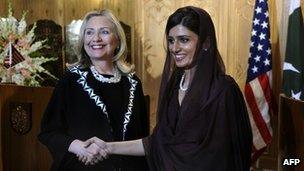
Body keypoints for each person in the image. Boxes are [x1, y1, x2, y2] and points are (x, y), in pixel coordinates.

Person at [87, 6, 253, 171]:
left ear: (206, 43)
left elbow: (230, 157)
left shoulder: (224, 91)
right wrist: (108, 147)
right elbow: (157, 144)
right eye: (171, 40)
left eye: (184, 40)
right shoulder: (173, 87)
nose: (175, 48)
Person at [38, 9, 149, 171]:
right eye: (89, 33)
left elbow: (143, 138)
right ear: (83, 40)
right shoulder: (70, 80)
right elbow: (48, 132)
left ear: (117, 39)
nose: (95, 39)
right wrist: (79, 147)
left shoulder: (134, 83)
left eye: (104, 32)